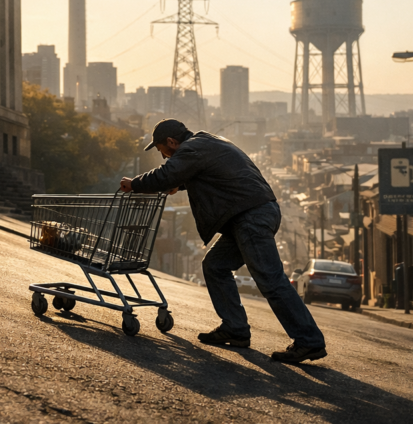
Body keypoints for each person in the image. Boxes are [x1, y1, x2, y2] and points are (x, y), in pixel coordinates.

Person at [120, 119, 326, 363]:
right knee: (215, 265)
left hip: (250, 218)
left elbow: (167, 173)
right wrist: (181, 184)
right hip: (249, 215)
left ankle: (308, 341)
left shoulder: (191, 149)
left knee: (271, 280)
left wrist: (135, 184)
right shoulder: (206, 141)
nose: (163, 157)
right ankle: (235, 328)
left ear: (172, 142)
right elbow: (208, 173)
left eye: (161, 150)